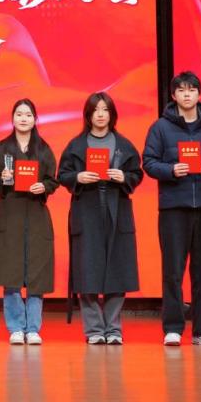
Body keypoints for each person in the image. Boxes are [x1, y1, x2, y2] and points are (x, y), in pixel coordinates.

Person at [141, 71, 201, 347]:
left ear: (199, 94)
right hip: (173, 207)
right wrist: (171, 170)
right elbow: (149, 162)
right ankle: (173, 328)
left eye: (192, 90)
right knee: (173, 271)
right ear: (174, 95)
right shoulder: (160, 127)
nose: (187, 94)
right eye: (181, 90)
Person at [59, 92, 143, 345]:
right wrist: (78, 177)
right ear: (88, 114)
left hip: (117, 207)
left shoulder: (124, 145)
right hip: (87, 209)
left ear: (112, 114)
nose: (100, 114)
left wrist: (124, 177)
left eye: (105, 110)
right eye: (96, 110)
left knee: (119, 268)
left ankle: (113, 328)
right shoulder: (76, 145)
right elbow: (63, 174)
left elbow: (137, 174)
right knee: (87, 270)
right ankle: (94, 329)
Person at [0, 99, 59, 345]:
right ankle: (16, 327)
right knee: (11, 274)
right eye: (19, 114)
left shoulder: (43, 148)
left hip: (36, 215)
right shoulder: (2, 148)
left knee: (37, 275)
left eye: (28, 114)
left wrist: (44, 186)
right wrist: (3, 178)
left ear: (35, 119)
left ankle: (34, 328)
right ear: (12, 118)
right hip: (11, 214)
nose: (23, 118)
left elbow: (53, 180)